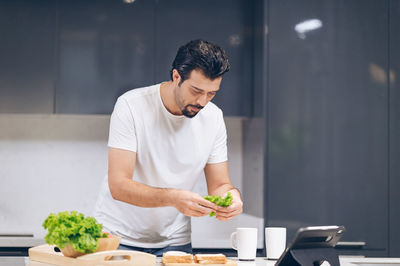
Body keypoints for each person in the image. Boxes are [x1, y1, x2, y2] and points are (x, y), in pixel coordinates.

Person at [93, 39, 243, 256]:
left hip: (175, 241)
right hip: (117, 237)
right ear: (176, 77)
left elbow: (220, 185)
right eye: (196, 90)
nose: (202, 101)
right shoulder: (131, 106)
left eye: (211, 94)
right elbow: (119, 186)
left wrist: (232, 197)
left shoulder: (214, 118)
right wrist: (174, 197)